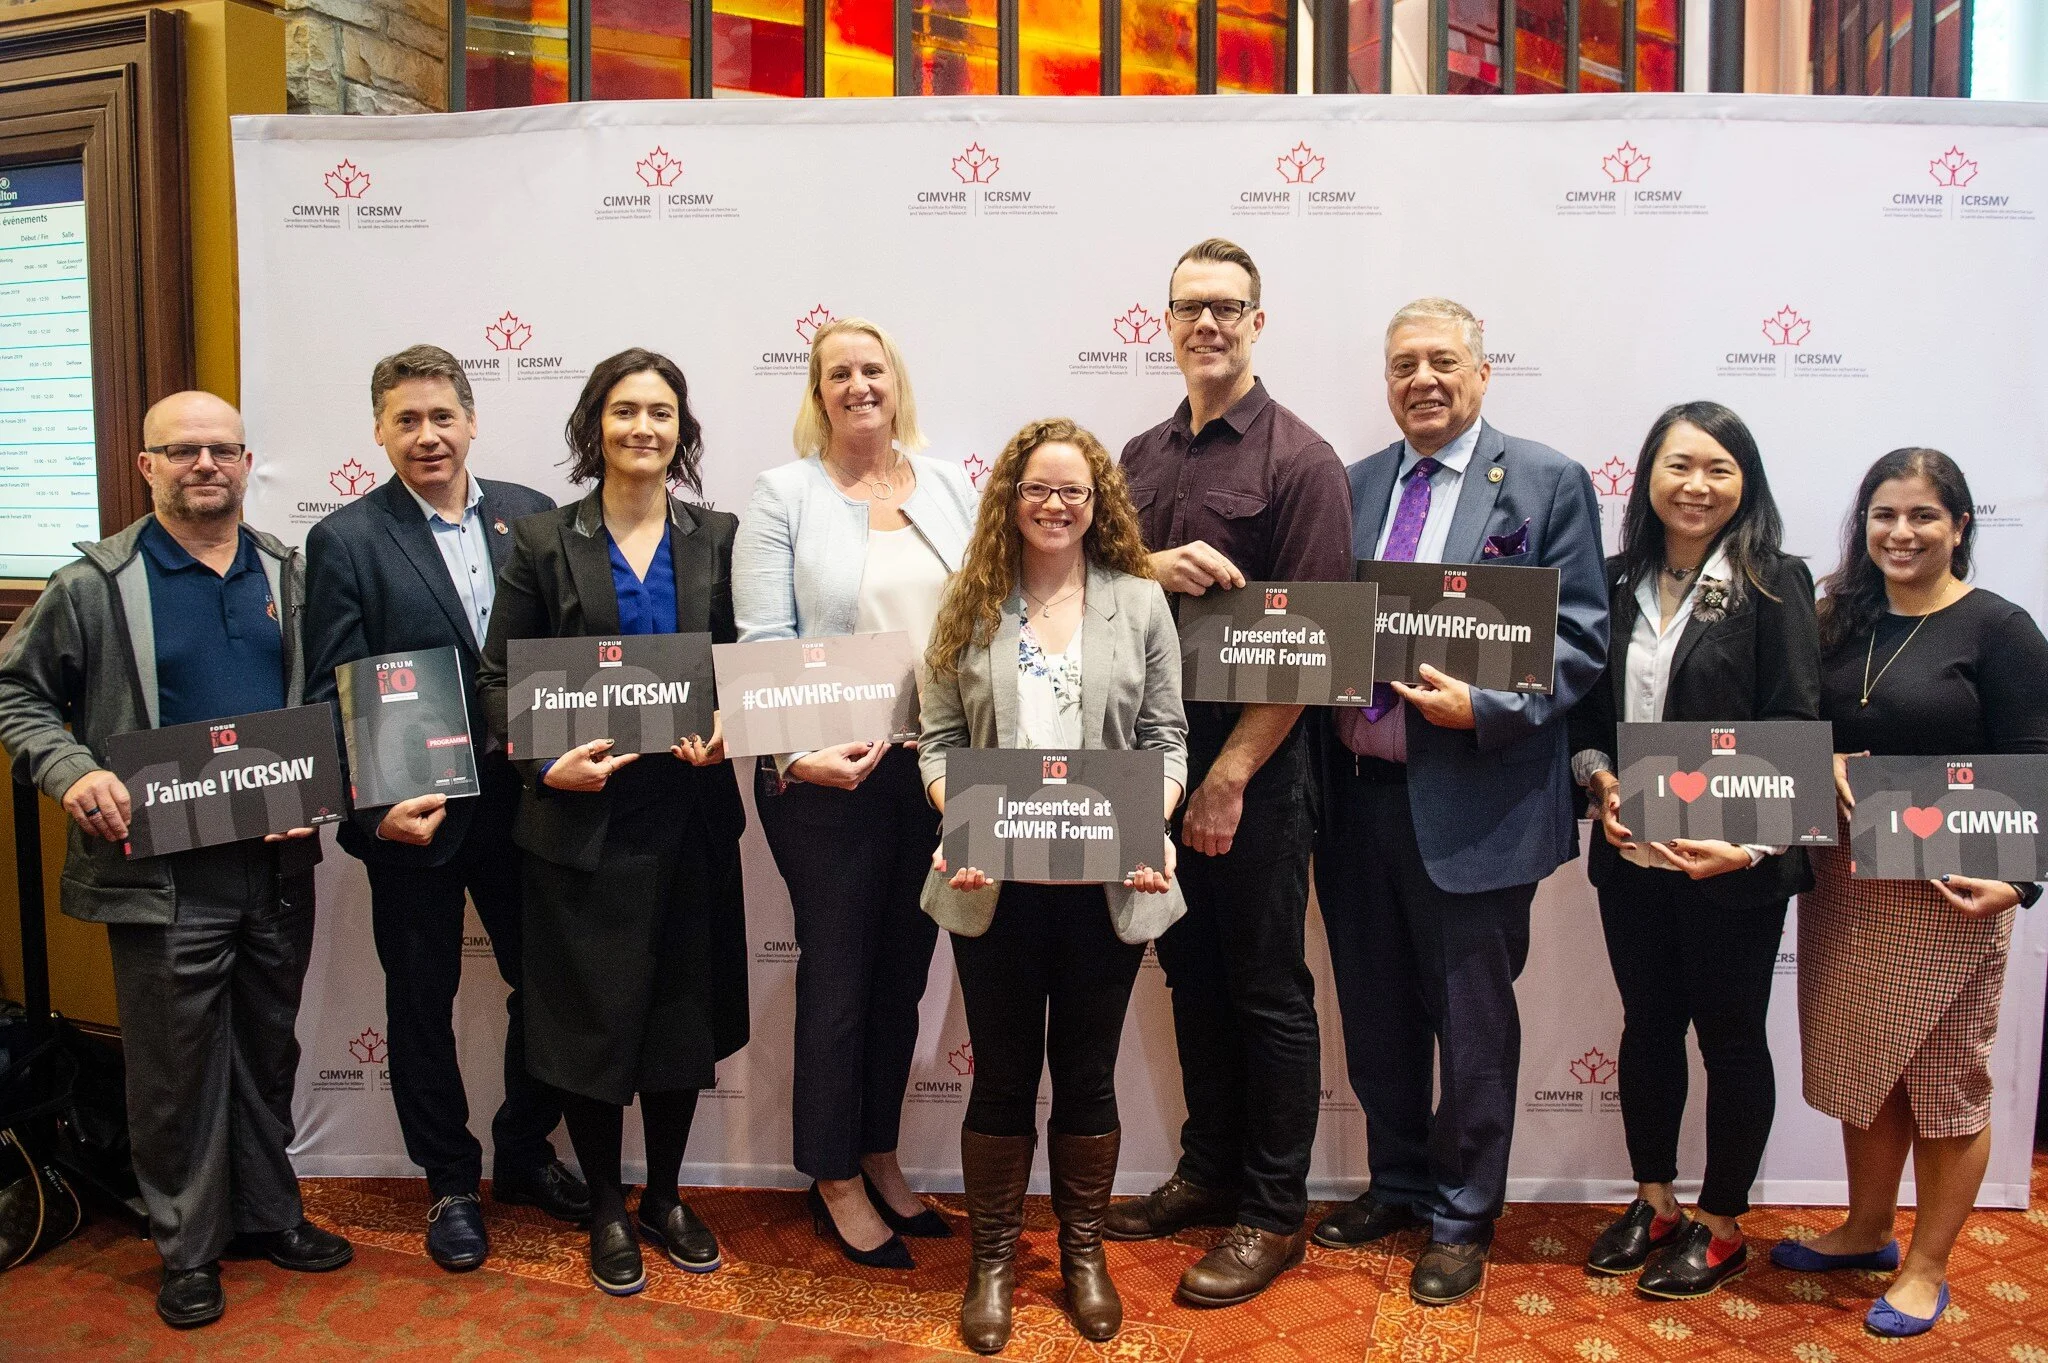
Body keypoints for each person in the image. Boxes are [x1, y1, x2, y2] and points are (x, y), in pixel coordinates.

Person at [0, 392, 350, 1329]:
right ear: (145, 465)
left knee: (267, 1051)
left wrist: (323, 785)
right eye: (181, 450)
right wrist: (73, 770)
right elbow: (19, 696)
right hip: (158, 874)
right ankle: (188, 1249)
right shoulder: (95, 584)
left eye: (221, 449)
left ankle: (271, 1215)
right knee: (172, 1067)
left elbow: (326, 700)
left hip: (274, 864)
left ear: (245, 462)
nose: (204, 464)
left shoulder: (289, 570)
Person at [1311, 297, 1608, 1307]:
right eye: (1401, 365)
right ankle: (1394, 1184)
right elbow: (1316, 625)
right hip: (1355, 800)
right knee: (1374, 1010)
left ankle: (1461, 1213)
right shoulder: (1348, 487)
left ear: (1481, 372)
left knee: (1471, 1026)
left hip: (1472, 803)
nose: (1420, 380)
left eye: (1441, 361)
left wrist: (1480, 703)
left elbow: (1576, 639)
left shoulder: (1544, 481)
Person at [1104, 238, 1353, 1307]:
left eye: (1225, 308)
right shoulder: (1137, 454)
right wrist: (1139, 566)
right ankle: (1206, 1173)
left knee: (1263, 985)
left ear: (1258, 321)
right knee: (1186, 973)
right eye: (1186, 308)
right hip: (1148, 765)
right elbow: (1099, 601)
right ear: (1162, 323)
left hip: (1250, 769)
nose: (1205, 325)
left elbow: (1317, 648)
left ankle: (1268, 1209)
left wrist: (1230, 774)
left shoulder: (1301, 463)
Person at [303, 345, 589, 1272]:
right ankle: (449, 1182)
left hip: (528, 805)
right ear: (380, 432)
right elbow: (329, 692)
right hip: (412, 817)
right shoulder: (345, 539)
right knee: (419, 1006)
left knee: (547, 989)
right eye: (405, 421)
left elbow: (564, 657)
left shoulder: (532, 515)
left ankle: (521, 1149)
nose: (426, 435)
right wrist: (366, 810)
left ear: (471, 421)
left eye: (440, 417)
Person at [477, 349, 748, 1295]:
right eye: (626, 410)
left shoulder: (719, 535)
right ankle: (603, 1203)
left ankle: (665, 1194)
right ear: (596, 425)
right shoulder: (544, 541)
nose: (644, 428)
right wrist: (543, 760)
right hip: (580, 822)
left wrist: (732, 727)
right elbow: (496, 678)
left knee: (678, 1016)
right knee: (590, 1026)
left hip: (690, 813)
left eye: (662, 413)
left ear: (683, 432)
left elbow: (743, 667)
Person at [918, 417, 1189, 1352]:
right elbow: (942, 737)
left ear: (1099, 501)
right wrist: (963, 818)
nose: (1056, 505)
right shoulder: (968, 599)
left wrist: (1150, 819)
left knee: (1086, 1073)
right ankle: (992, 1258)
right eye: (1038, 488)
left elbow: (1165, 737)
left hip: (1106, 884)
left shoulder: (1138, 601)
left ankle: (1082, 1255)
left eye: (1074, 490)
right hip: (990, 880)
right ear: (1010, 497)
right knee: (1000, 1075)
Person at [1775, 447, 2048, 1337]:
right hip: (1845, 880)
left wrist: (2023, 878)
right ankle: (1865, 1229)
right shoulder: (1832, 618)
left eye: (1924, 515)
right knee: (1871, 1066)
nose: (1901, 532)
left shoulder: (2000, 631)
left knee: (1943, 1080)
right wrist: (1826, 759)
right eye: (1885, 514)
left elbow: (2039, 762)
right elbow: (1792, 727)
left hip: (1952, 886)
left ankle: (1928, 1265)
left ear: (1960, 525)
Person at [732, 317, 977, 1268]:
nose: (858, 384)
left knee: (903, 974)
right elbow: (761, 637)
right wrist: (795, 753)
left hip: (930, 767)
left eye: (873, 368)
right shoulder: (784, 493)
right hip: (829, 775)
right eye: (840, 372)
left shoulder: (950, 484)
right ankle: (830, 1172)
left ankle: (879, 1150)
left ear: (895, 379)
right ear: (818, 390)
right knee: (837, 976)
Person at [1567, 402, 1819, 1298]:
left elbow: (1795, 729)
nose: (1697, 485)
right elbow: (1586, 720)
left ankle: (1719, 1222)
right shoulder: (1609, 577)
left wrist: (1745, 847)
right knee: (1648, 1028)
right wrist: (1598, 781)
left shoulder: (1778, 585)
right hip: (1632, 860)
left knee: (1732, 1040)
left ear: (1744, 481)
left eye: (1718, 468)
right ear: (1648, 477)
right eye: (1679, 466)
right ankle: (1654, 1198)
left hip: (1732, 869)